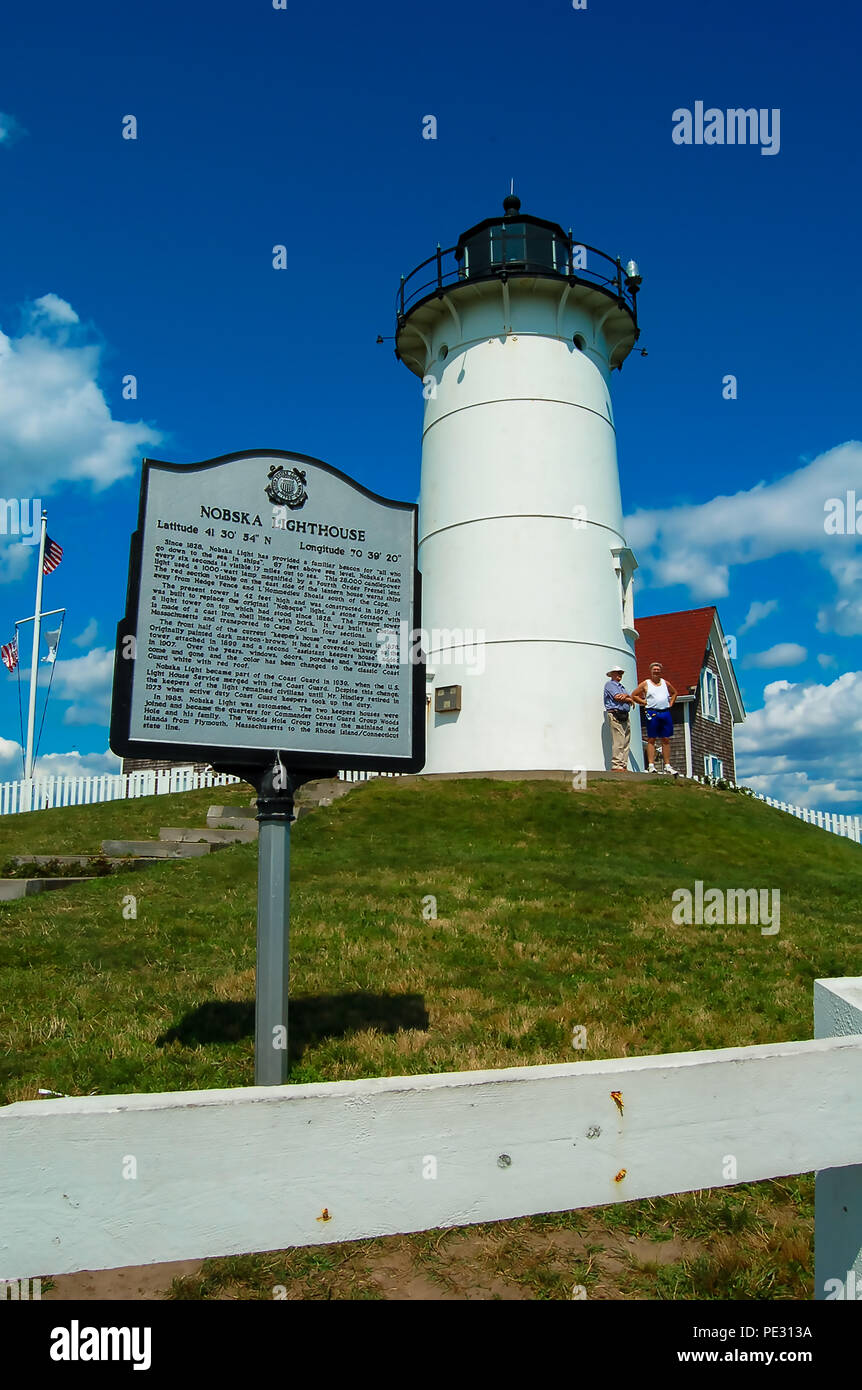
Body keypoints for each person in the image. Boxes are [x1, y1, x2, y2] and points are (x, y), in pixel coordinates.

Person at [631, 662, 679, 774]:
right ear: (651, 671)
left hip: (665, 712)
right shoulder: (646, 683)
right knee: (651, 738)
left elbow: (674, 693)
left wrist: (671, 703)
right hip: (652, 712)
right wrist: (644, 702)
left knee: (665, 738)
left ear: (660, 671)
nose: (656, 671)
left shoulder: (665, 683)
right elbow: (634, 695)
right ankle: (651, 765)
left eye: (658, 669)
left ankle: (667, 765)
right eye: (654, 670)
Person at [603, 666, 634, 771]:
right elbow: (617, 697)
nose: (619, 674)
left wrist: (626, 697)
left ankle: (623, 764)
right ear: (611, 674)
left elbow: (628, 697)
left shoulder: (622, 687)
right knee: (619, 739)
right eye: (617, 673)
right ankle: (616, 765)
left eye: (621, 673)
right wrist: (628, 698)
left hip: (624, 714)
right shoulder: (610, 685)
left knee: (626, 740)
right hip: (615, 713)